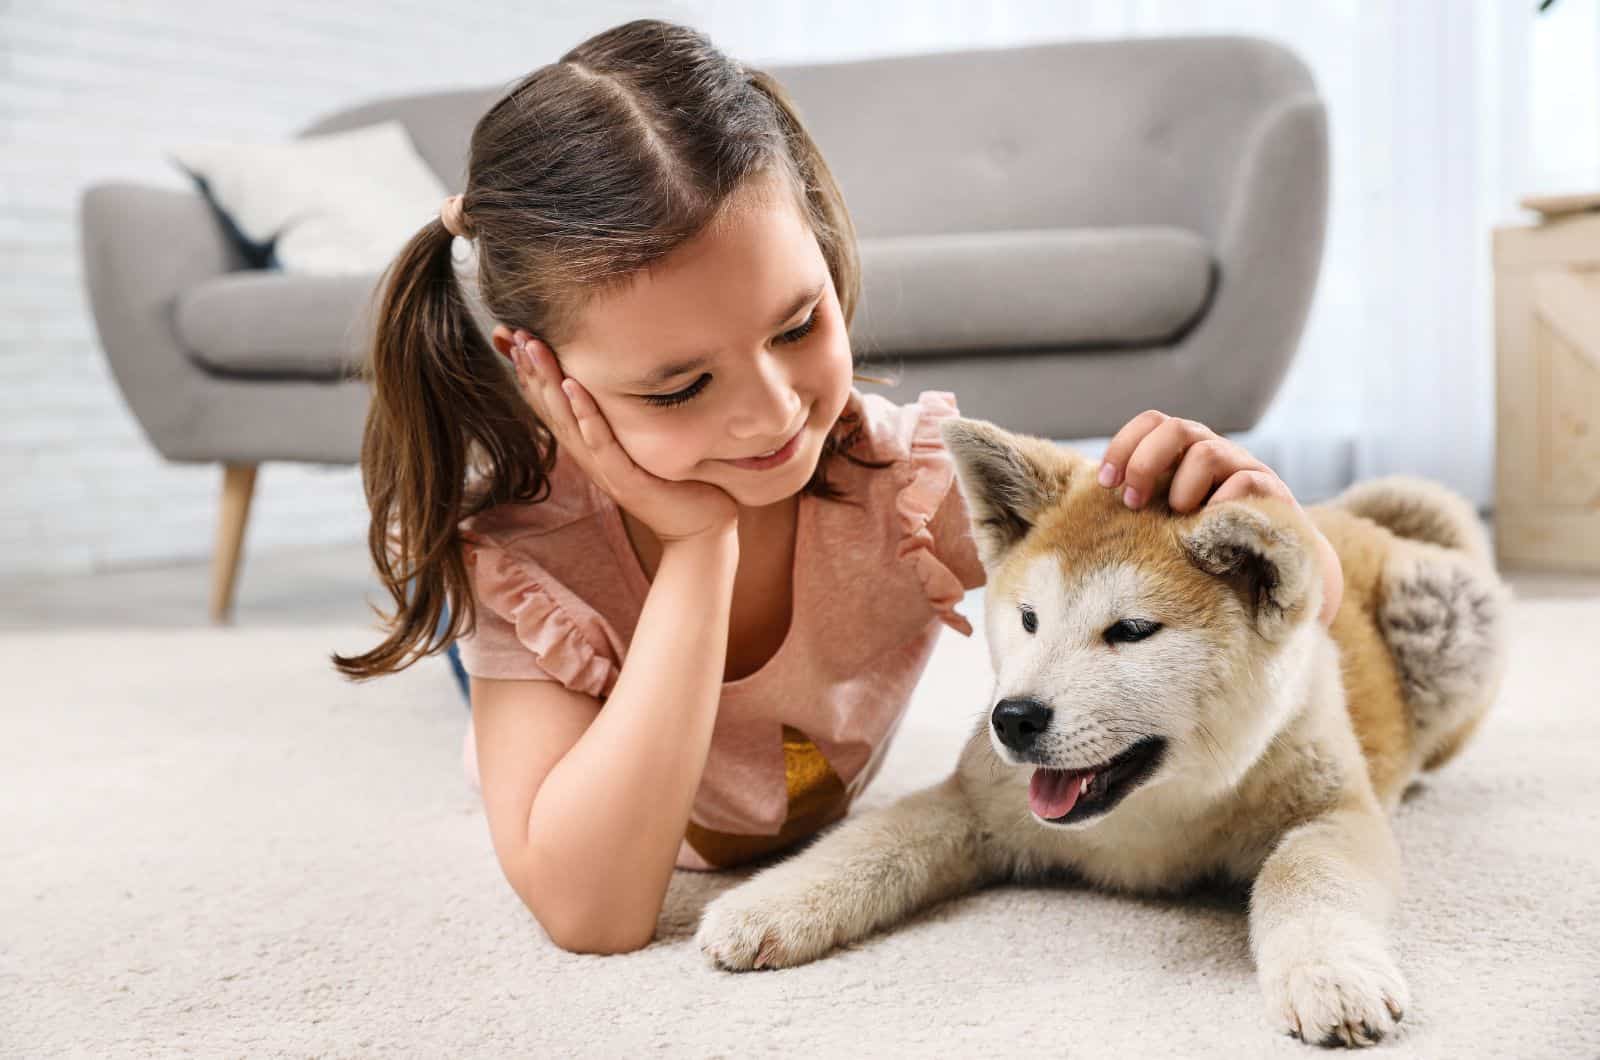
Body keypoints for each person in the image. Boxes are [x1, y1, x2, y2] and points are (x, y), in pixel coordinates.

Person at [331, 18, 1344, 955]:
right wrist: (696, 551)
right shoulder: (524, 560)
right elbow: (592, 912)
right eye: (681, 385)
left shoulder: (898, 476)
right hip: (583, 607)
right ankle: (479, 677)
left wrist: (1276, 527)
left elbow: (1277, 612)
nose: (773, 415)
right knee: (493, 710)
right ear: (541, 374)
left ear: (822, 244)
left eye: (797, 326)